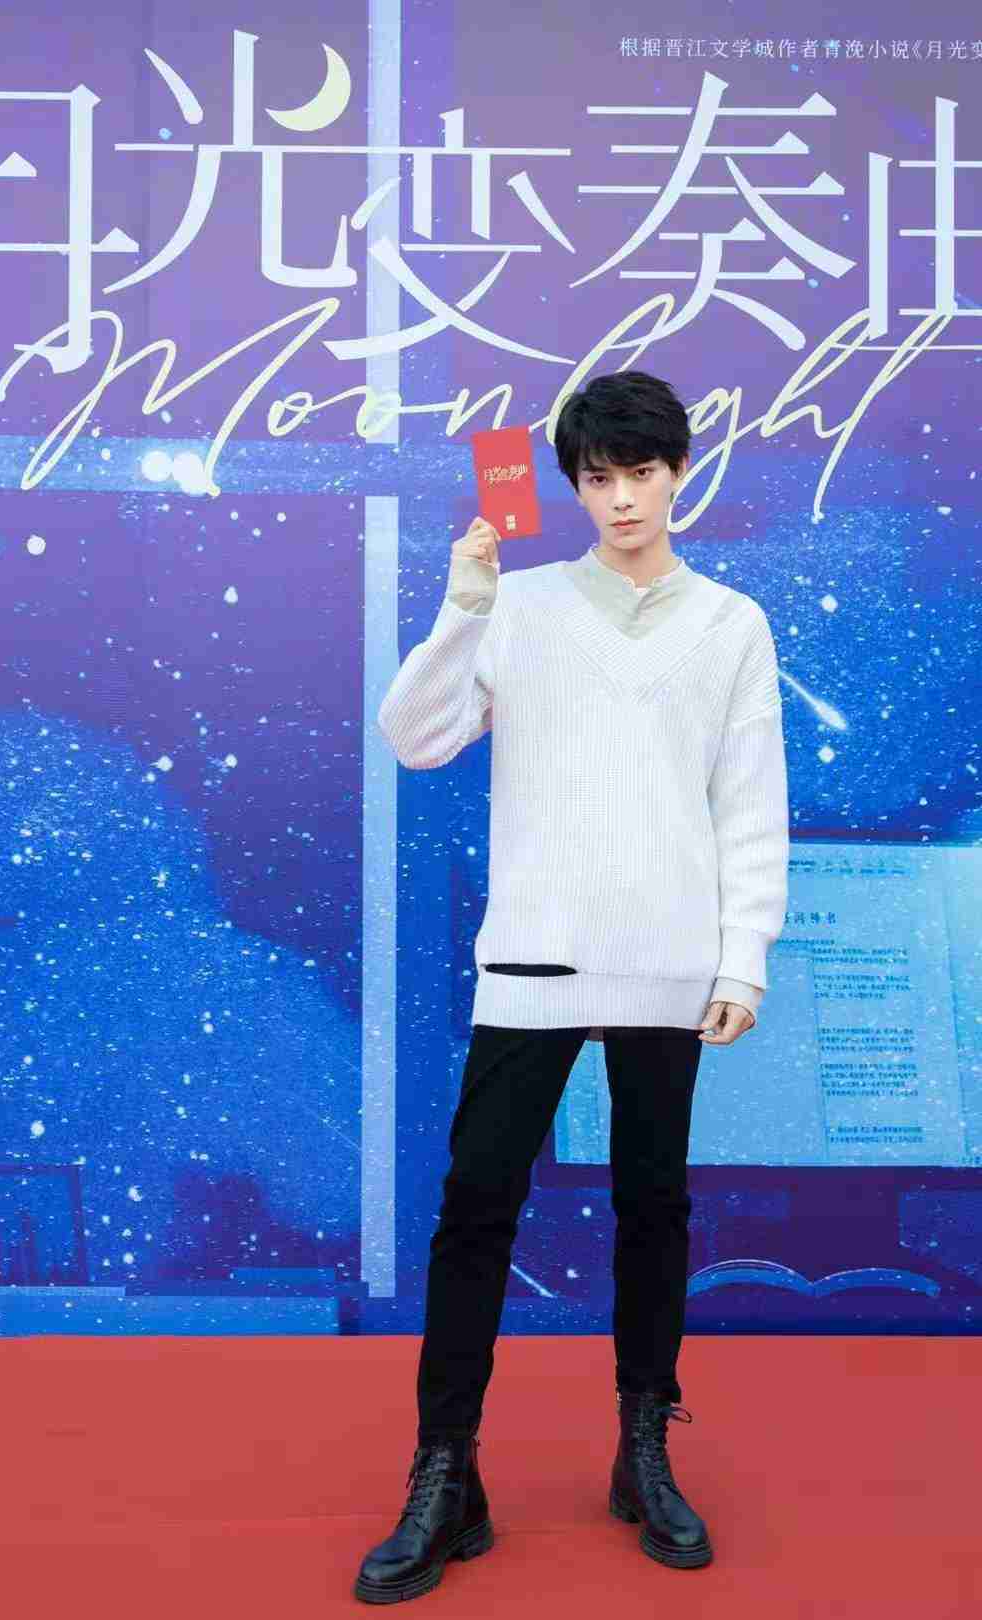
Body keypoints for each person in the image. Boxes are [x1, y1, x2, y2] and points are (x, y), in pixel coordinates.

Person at [354, 372, 789, 1602]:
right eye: (599, 478)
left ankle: (644, 1450)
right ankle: (447, 1472)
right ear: (574, 486)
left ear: (678, 473)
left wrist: (742, 957)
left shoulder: (732, 624)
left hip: (669, 959)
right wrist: (462, 606)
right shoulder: (521, 605)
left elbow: (751, 802)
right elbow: (414, 736)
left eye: (641, 473)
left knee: (655, 1209)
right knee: (476, 1207)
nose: (622, 498)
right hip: (534, 953)